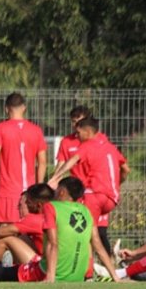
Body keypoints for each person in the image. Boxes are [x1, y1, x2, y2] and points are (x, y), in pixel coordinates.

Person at [0, 177, 119, 283]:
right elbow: (96, 245)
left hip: (50, 267)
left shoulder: (49, 211)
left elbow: (52, 244)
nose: (23, 208)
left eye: (25, 204)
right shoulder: (85, 211)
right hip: (77, 274)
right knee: (17, 238)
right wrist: (113, 278)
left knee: (6, 241)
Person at [49, 116, 129, 265]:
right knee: (98, 233)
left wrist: (55, 178)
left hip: (94, 195)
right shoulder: (110, 146)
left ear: (87, 131)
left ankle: (89, 272)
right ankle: (110, 264)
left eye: (78, 133)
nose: (77, 136)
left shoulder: (87, 145)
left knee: (88, 235)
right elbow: (125, 169)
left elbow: (71, 161)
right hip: (112, 198)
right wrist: (116, 184)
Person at [53, 108, 113, 255]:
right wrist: (54, 181)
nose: (75, 125)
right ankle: (88, 269)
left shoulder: (99, 140)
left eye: (79, 121)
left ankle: (111, 267)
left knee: (100, 232)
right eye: (73, 122)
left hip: (97, 192)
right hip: (77, 194)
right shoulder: (66, 142)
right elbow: (61, 165)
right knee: (81, 231)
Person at [0, 92, 47, 224]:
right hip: (31, 191)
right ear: (24, 108)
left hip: (8, 191)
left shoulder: (1, 128)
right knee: (29, 230)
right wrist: (38, 188)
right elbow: (42, 162)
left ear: (6, 109)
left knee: (8, 233)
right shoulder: (36, 130)